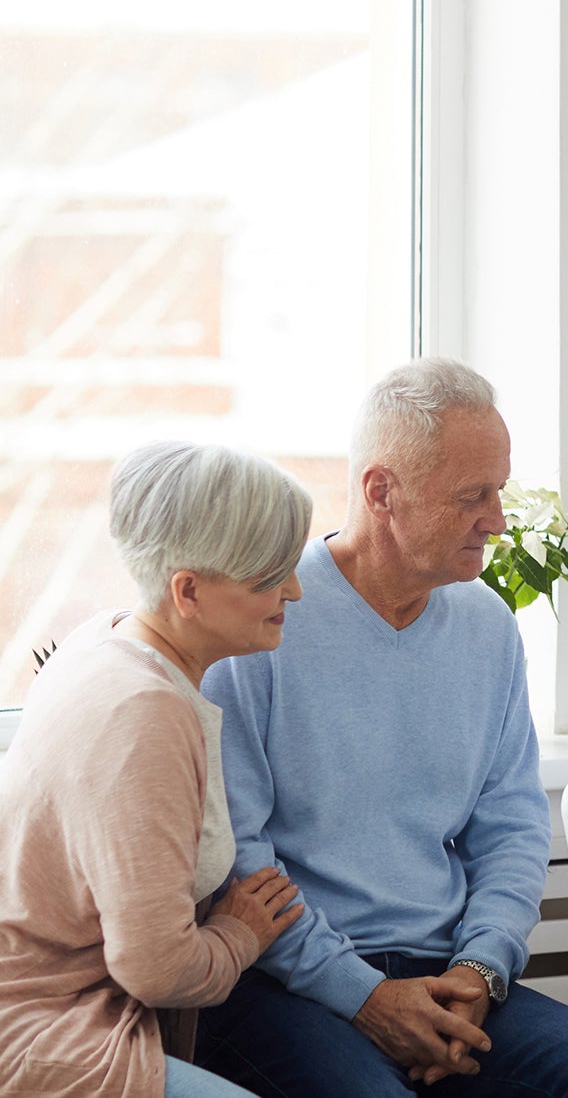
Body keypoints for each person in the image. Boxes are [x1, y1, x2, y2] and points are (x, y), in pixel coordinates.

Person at [196, 358, 568, 1098]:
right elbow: (239, 858)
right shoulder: (264, 620)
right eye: (471, 496)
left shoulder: (486, 627)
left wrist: (479, 970)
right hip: (286, 981)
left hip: (447, 968)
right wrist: (363, 996)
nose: (499, 519)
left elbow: (510, 826)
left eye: (500, 491)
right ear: (381, 492)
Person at [0, 441, 311, 1098]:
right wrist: (239, 934)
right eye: (268, 576)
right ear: (188, 590)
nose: (295, 590)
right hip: (43, 1028)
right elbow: (156, 969)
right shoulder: (145, 712)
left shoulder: (103, 636)